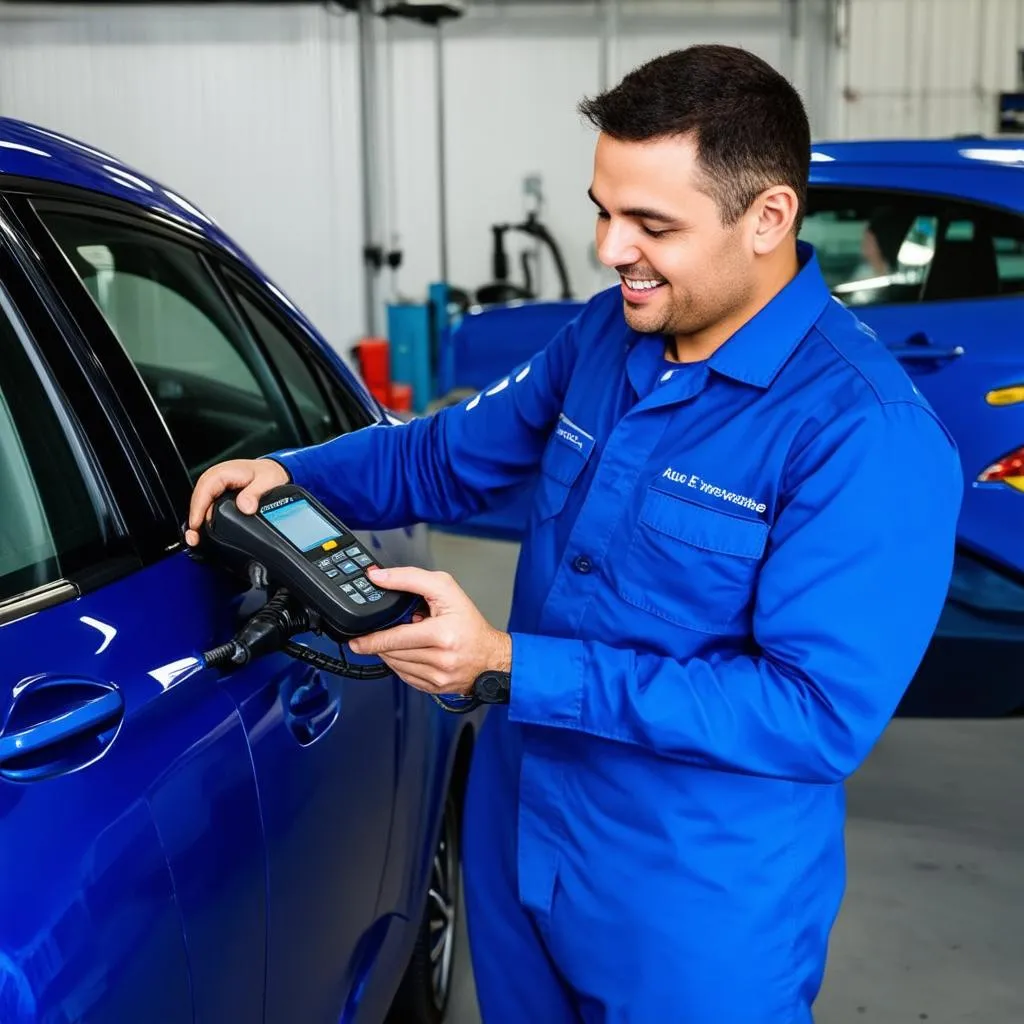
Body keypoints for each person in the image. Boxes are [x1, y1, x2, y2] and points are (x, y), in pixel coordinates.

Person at [187, 45, 962, 1024]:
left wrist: (509, 661)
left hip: (689, 899)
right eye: (602, 209)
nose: (608, 249)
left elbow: (811, 712)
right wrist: (295, 476)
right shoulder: (606, 334)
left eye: (651, 224)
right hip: (520, 838)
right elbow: (443, 457)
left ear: (767, 217)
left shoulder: (864, 435)